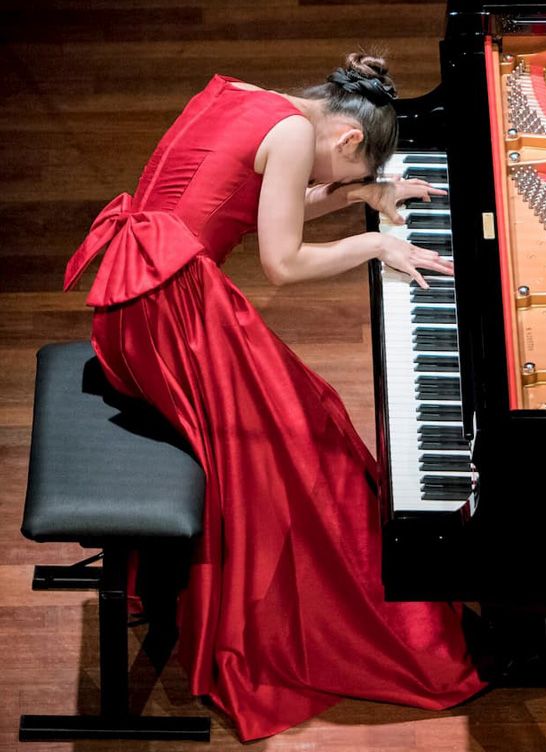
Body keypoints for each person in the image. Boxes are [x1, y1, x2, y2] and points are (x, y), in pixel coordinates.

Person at [63, 52, 486, 740]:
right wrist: (375, 245)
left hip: (130, 302)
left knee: (309, 416)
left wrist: (358, 198)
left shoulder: (256, 99)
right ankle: (363, 622)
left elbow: (269, 203)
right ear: (348, 139)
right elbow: (282, 262)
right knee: (304, 440)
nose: (337, 180)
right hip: (172, 319)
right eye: (351, 171)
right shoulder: (294, 139)